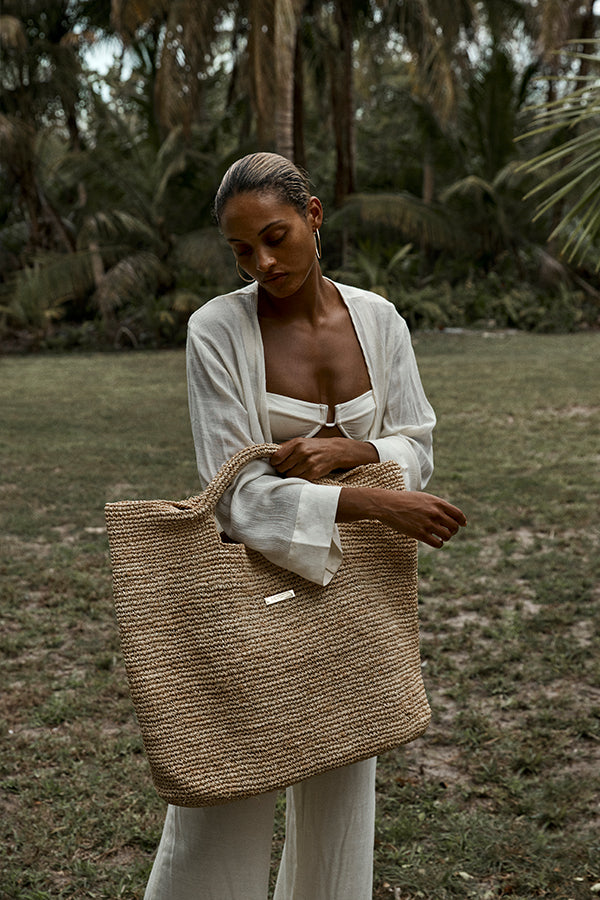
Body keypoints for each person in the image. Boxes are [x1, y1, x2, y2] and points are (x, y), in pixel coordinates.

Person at [144, 152, 466, 900]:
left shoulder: (379, 319)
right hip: (248, 595)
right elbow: (235, 495)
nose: (262, 261)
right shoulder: (216, 331)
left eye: (276, 237)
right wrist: (375, 501)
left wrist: (356, 451)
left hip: (356, 596)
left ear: (314, 217)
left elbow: (415, 443)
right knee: (226, 797)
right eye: (241, 249)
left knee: (342, 807)